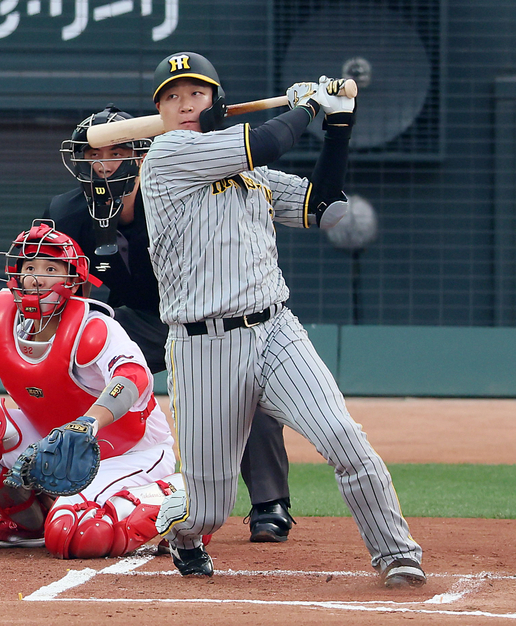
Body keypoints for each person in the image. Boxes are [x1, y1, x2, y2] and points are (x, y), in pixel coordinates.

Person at [140, 51, 427, 587]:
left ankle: (397, 554)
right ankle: (181, 532)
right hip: (204, 347)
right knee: (208, 508)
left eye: (195, 94)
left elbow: (326, 208)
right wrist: (306, 108)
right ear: (159, 111)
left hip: (274, 329)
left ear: (216, 100)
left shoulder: (253, 176)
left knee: (343, 437)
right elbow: (264, 141)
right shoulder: (166, 154)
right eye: (171, 97)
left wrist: (338, 123)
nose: (183, 105)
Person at [44, 105, 295, 543]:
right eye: (93, 154)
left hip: (196, 311)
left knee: (242, 384)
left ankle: (269, 504)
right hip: (128, 323)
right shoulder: (66, 212)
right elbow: (64, 287)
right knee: (72, 368)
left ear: (141, 154)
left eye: (117, 151)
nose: (103, 164)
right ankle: (69, 490)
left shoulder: (173, 191)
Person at [0, 220, 183, 558]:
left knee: (77, 535)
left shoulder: (94, 327)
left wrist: (89, 423)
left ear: (73, 279)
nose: (37, 277)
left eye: (51, 267)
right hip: (60, 442)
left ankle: (177, 503)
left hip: (132, 450)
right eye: (30, 266)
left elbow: (133, 377)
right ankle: (28, 524)